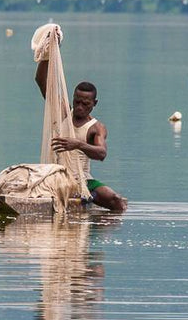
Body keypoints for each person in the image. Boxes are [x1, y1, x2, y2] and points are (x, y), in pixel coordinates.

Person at [36, 59, 127, 212]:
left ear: (94, 103)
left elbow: (102, 154)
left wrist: (77, 144)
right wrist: (47, 53)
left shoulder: (96, 127)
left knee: (116, 201)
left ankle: (95, 228)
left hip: (82, 181)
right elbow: (40, 80)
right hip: (56, 176)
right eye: (77, 102)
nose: (79, 107)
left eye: (85, 104)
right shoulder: (63, 113)